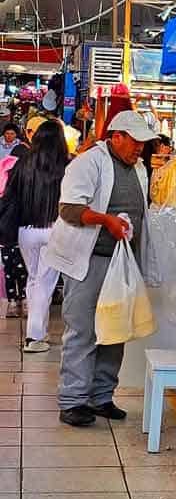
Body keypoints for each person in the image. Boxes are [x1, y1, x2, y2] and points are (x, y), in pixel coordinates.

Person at [42, 110, 160, 428]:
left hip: (121, 262)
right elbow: (69, 209)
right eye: (136, 143)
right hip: (87, 259)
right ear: (116, 136)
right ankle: (73, 401)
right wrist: (107, 220)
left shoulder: (138, 168)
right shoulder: (87, 162)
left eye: (144, 145)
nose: (140, 150)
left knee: (114, 330)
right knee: (82, 330)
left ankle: (101, 396)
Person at [0, 121, 68, 351]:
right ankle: (34, 337)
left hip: (25, 232)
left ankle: (40, 332)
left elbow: (9, 198)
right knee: (45, 282)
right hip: (54, 230)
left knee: (34, 279)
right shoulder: (64, 167)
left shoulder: (22, 165)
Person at [0, 144, 29, 318]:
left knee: (9, 268)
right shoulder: (24, 175)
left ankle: (12, 302)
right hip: (20, 229)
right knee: (23, 268)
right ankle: (24, 300)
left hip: (5, 232)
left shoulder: (4, 172)